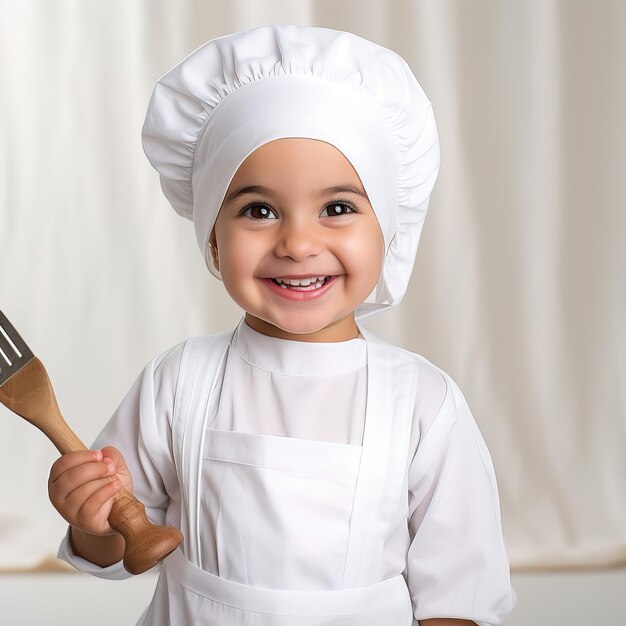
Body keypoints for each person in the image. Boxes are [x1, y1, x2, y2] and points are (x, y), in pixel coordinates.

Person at [49, 24, 516, 625]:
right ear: (213, 239)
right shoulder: (179, 380)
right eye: (258, 210)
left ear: (391, 232)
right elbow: (128, 544)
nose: (298, 242)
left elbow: (460, 596)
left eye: (338, 208)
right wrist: (90, 521)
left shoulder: (423, 404)